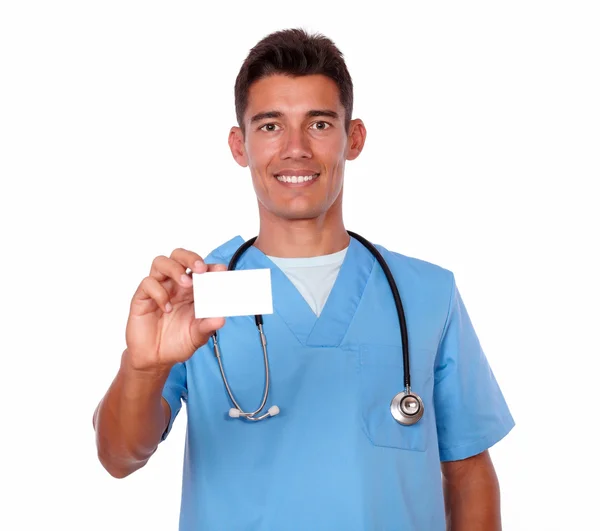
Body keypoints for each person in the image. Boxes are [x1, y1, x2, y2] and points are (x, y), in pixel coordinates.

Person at [93, 28, 514, 530]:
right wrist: (143, 367)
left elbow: (468, 475)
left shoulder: (426, 295)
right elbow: (119, 458)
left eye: (318, 123)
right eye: (270, 126)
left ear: (352, 138)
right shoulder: (195, 295)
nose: (295, 148)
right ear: (239, 145)